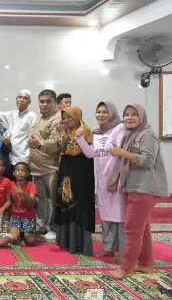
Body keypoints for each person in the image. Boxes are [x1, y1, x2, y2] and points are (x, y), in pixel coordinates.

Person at [107, 104, 169, 279]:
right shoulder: (131, 134)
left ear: (142, 117)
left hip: (144, 188)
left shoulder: (147, 134)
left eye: (134, 114)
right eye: (126, 114)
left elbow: (148, 161)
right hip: (135, 186)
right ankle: (146, 263)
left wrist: (121, 153)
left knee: (133, 229)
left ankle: (127, 267)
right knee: (143, 228)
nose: (129, 118)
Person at [75, 102, 126, 262]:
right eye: (98, 112)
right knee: (106, 214)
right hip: (103, 180)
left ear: (112, 113)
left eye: (105, 112)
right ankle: (109, 247)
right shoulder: (97, 133)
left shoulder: (120, 129)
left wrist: (116, 179)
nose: (101, 115)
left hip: (117, 180)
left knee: (120, 215)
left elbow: (122, 156)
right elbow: (91, 154)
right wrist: (80, 138)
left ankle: (121, 250)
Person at [54, 106, 95, 256]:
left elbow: (79, 152)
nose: (66, 121)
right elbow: (64, 151)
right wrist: (63, 134)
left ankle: (78, 242)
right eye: (64, 118)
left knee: (78, 206)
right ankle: (66, 240)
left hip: (80, 176)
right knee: (67, 202)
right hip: (68, 174)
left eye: (69, 118)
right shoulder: (69, 132)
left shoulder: (85, 131)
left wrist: (69, 137)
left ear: (77, 117)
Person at [28, 89, 62, 240]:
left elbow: (57, 143)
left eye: (48, 101)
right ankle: (41, 225)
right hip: (36, 168)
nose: (44, 104)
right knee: (41, 200)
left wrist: (39, 144)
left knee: (54, 200)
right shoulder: (39, 118)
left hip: (51, 168)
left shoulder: (58, 119)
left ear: (55, 102)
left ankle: (54, 228)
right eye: (42, 101)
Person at [0, 90, 37, 165]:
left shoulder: (32, 116)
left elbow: (32, 137)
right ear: (16, 100)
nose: (22, 100)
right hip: (8, 156)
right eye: (20, 97)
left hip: (22, 158)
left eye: (25, 98)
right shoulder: (13, 113)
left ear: (29, 102)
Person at [5, 162, 38, 246]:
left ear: (27, 174)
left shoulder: (31, 185)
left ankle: (25, 234)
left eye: (23, 170)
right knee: (14, 239)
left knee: (30, 241)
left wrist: (22, 193)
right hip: (14, 216)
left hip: (28, 216)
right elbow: (8, 201)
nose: (20, 172)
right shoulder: (10, 184)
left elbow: (32, 202)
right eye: (18, 170)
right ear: (13, 173)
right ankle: (19, 233)